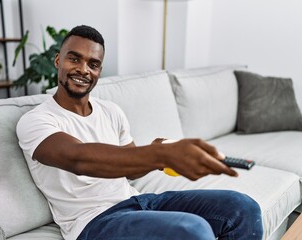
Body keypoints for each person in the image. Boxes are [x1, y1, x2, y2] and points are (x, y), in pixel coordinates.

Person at [16, 25, 263, 240]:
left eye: (93, 64)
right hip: (92, 224)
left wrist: (157, 151)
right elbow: (78, 158)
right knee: (193, 231)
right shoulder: (36, 120)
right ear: (58, 60)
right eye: (74, 59)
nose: (83, 70)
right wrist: (159, 155)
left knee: (243, 208)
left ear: (100, 71)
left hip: (139, 202)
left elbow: (131, 169)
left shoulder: (111, 111)